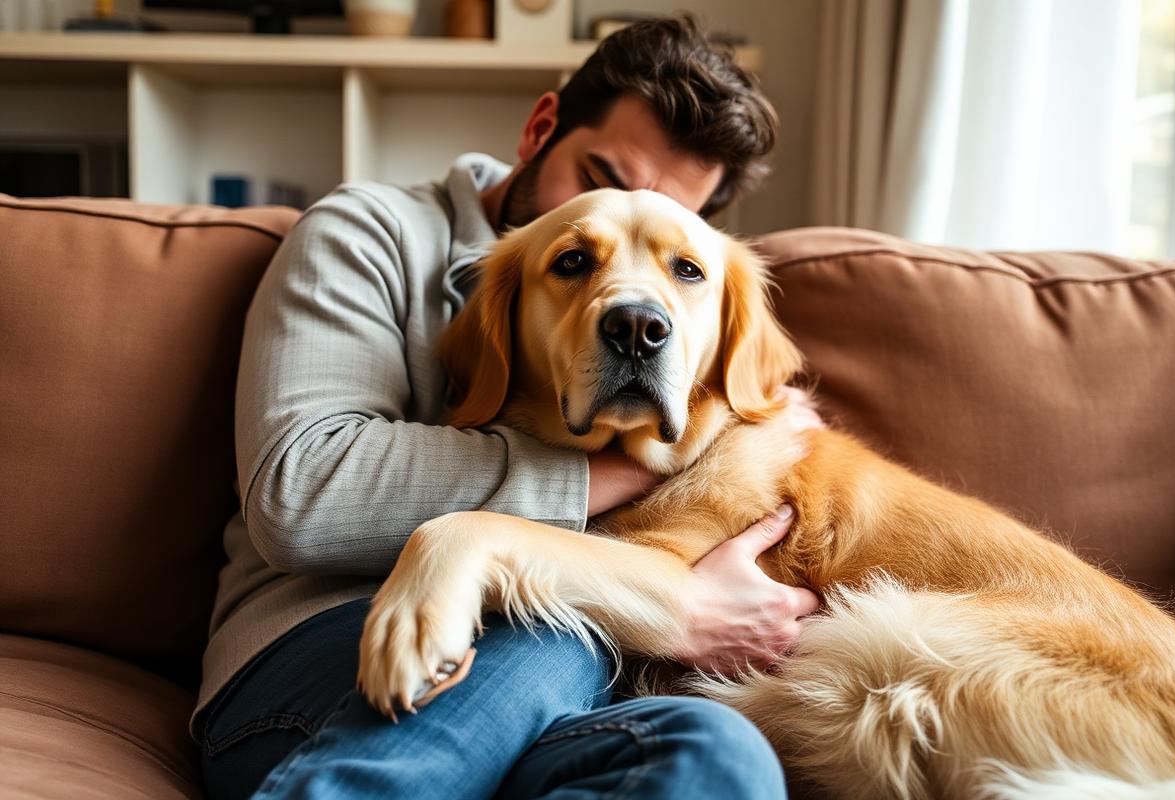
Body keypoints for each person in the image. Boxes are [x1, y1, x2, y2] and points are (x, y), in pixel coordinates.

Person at [193, 14, 822, 800]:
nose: (629, 298)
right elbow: (302, 491)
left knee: (719, 753)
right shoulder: (368, 233)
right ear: (540, 127)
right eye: (598, 181)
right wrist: (625, 497)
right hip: (314, 665)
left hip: (574, 697)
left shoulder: (693, 323)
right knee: (554, 637)